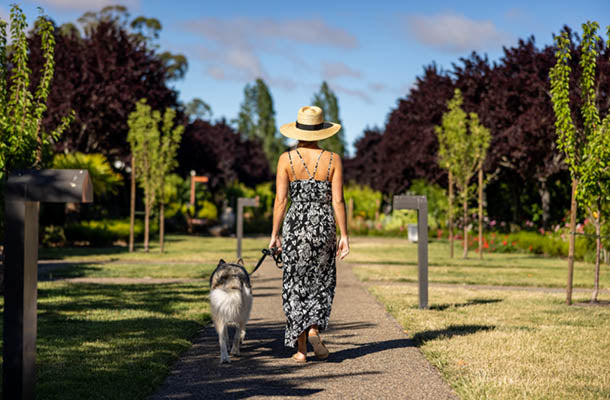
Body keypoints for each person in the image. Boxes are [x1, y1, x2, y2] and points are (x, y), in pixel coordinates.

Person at [269, 105, 350, 363]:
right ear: (321, 131)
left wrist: (274, 234)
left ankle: (301, 349)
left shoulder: (286, 159)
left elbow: (281, 200)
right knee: (321, 280)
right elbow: (338, 200)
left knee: (295, 282)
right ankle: (314, 329)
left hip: (295, 226)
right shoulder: (333, 159)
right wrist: (344, 235)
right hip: (323, 225)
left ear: (297, 130)